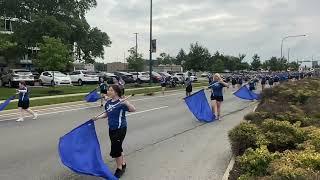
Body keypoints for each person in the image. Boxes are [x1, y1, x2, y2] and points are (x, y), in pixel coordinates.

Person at [92, 85, 136, 178]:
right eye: (108, 90)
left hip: (120, 129)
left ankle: (120, 168)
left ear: (115, 92)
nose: (108, 91)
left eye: (110, 90)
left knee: (116, 150)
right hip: (111, 128)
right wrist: (98, 117)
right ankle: (123, 163)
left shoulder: (121, 103)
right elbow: (107, 113)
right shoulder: (108, 103)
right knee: (118, 147)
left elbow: (133, 109)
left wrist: (127, 103)